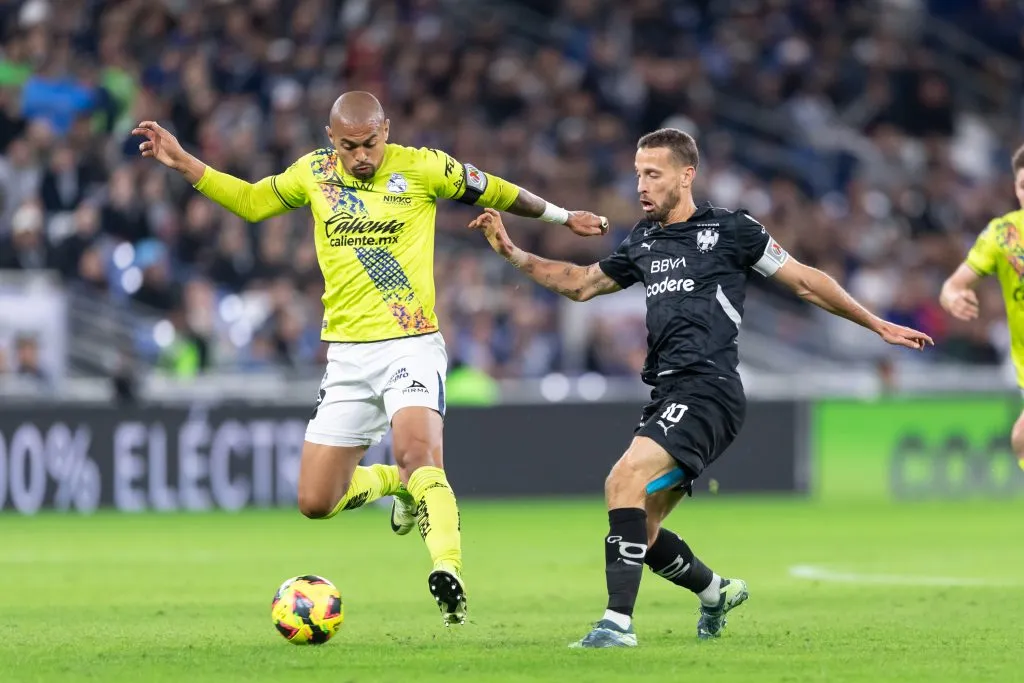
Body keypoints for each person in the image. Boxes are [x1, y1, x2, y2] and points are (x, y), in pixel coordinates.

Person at [133, 91, 608, 626]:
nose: (362, 156)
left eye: (371, 143)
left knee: (421, 457)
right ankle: (389, 484)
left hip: (412, 344)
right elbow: (250, 202)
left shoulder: (425, 167)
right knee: (316, 501)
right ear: (330, 140)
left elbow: (495, 189)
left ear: (387, 129)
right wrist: (184, 163)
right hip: (347, 357)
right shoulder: (313, 173)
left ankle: (448, 572)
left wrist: (563, 216)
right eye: (349, 146)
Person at [469, 128, 932, 648]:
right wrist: (512, 252)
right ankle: (715, 592)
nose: (640, 185)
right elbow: (581, 284)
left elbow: (804, 279)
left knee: (621, 481)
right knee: (639, 532)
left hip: (709, 389)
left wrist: (877, 324)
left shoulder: (733, 230)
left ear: (686, 175)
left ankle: (616, 625)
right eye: (637, 174)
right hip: (667, 393)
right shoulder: (643, 240)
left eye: (653, 174)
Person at [940, 143, 1024, 472]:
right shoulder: (1003, 234)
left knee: (1021, 437)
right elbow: (953, 285)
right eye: (1022, 186)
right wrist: (953, 297)